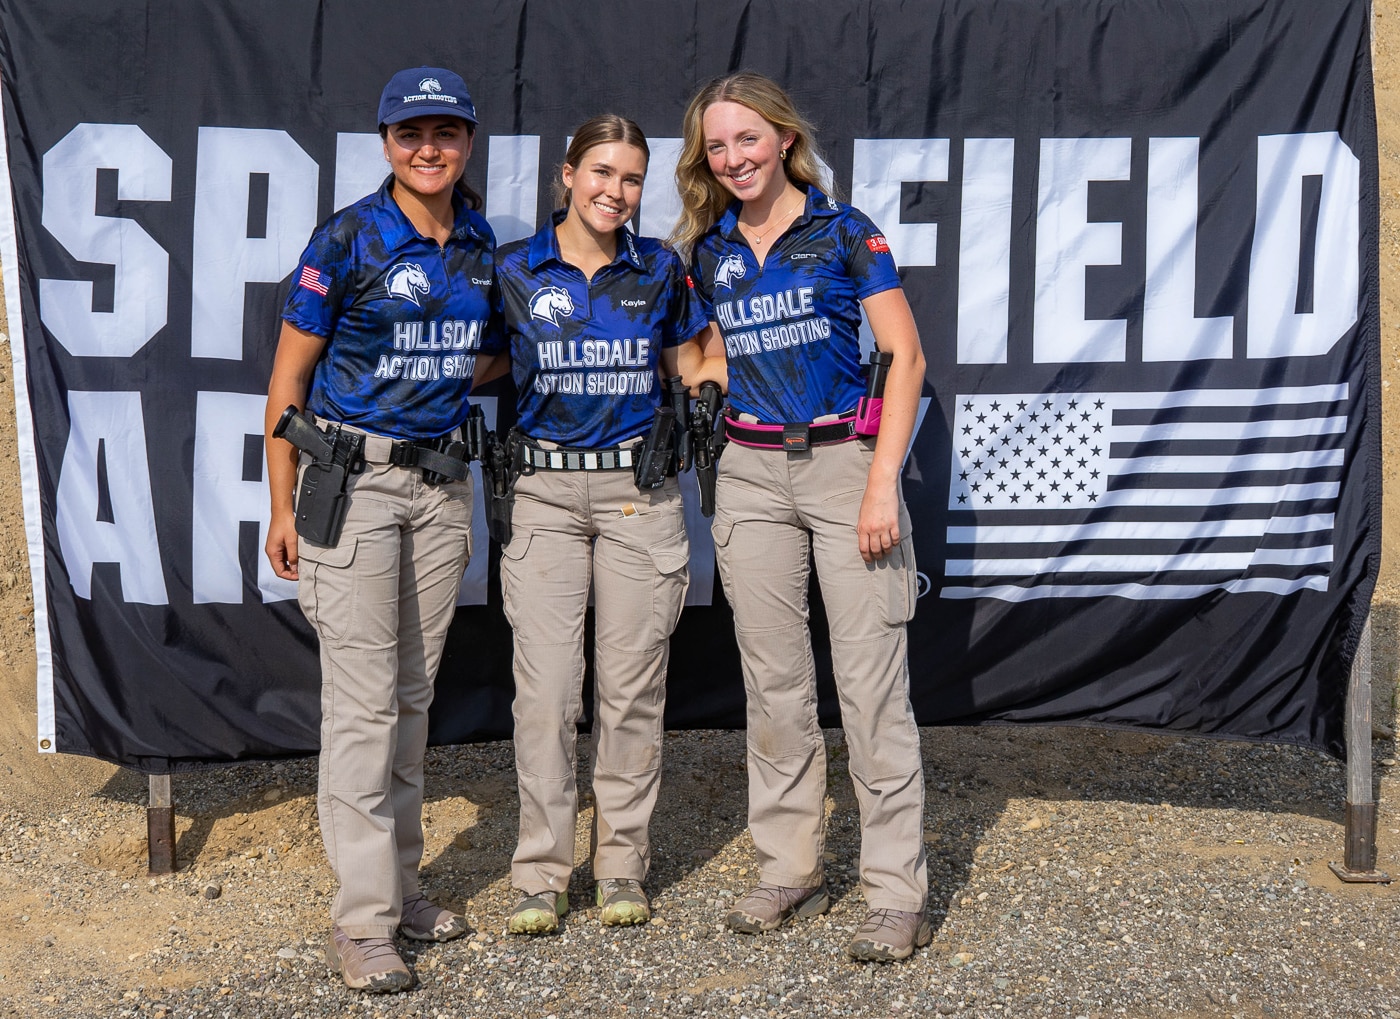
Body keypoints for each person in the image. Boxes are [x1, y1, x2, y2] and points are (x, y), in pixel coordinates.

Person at [672, 72, 931, 963]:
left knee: (869, 688)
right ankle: (789, 865)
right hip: (748, 473)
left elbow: (904, 356)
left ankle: (895, 891)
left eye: (749, 139)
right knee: (775, 686)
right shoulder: (711, 251)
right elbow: (706, 347)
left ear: (784, 138)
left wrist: (880, 481)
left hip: (842, 466)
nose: (735, 157)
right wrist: (702, 373)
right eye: (717, 145)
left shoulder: (844, 231)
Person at [264, 66, 502, 992]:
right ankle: (362, 923)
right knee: (361, 711)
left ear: (469, 140)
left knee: (410, 698)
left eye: (446, 131)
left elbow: (472, 357)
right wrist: (279, 505)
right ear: (385, 142)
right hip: (353, 487)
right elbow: (287, 384)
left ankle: (399, 887)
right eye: (411, 133)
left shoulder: (478, 240)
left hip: (441, 487)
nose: (429, 148)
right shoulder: (349, 236)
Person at [495, 114, 721, 935]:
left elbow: (698, 356)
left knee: (630, 695)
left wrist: (702, 400)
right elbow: (480, 359)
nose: (614, 192)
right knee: (547, 695)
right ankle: (541, 871)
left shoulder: (660, 269)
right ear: (567, 173)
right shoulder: (515, 268)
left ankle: (621, 864)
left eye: (630, 179)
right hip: (546, 498)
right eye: (601, 173)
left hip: (639, 497)